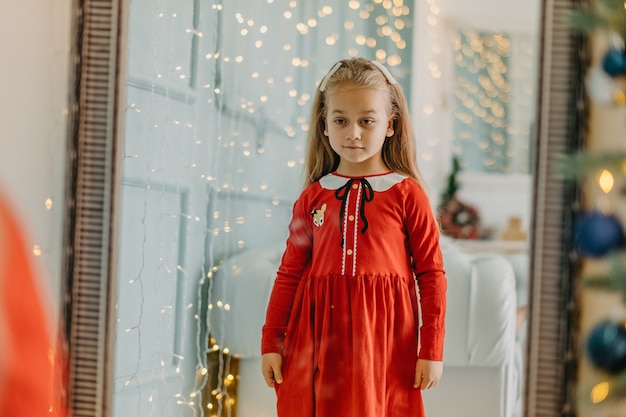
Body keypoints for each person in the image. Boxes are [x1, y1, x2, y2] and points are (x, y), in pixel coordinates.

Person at [261, 57, 447, 417]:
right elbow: (289, 273)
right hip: (315, 334)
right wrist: (272, 340)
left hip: (383, 337)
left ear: (390, 126)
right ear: (325, 126)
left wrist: (431, 348)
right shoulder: (313, 197)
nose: (353, 133)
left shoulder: (407, 194)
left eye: (367, 121)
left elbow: (431, 275)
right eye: (341, 120)